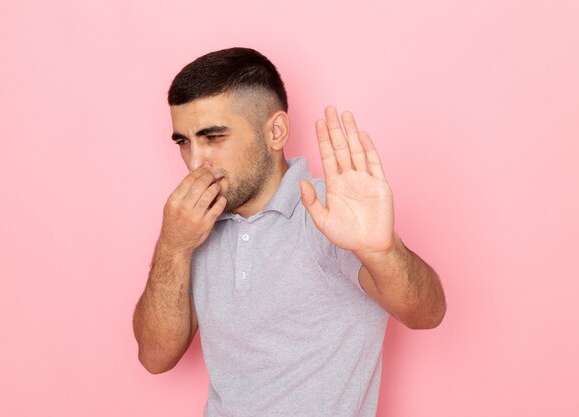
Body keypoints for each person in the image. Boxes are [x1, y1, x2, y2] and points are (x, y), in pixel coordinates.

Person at [132, 47, 446, 417]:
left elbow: (428, 313)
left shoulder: (332, 211)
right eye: (184, 141)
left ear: (275, 132)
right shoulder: (192, 227)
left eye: (213, 137)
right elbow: (155, 358)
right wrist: (173, 246)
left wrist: (382, 252)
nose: (195, 162)